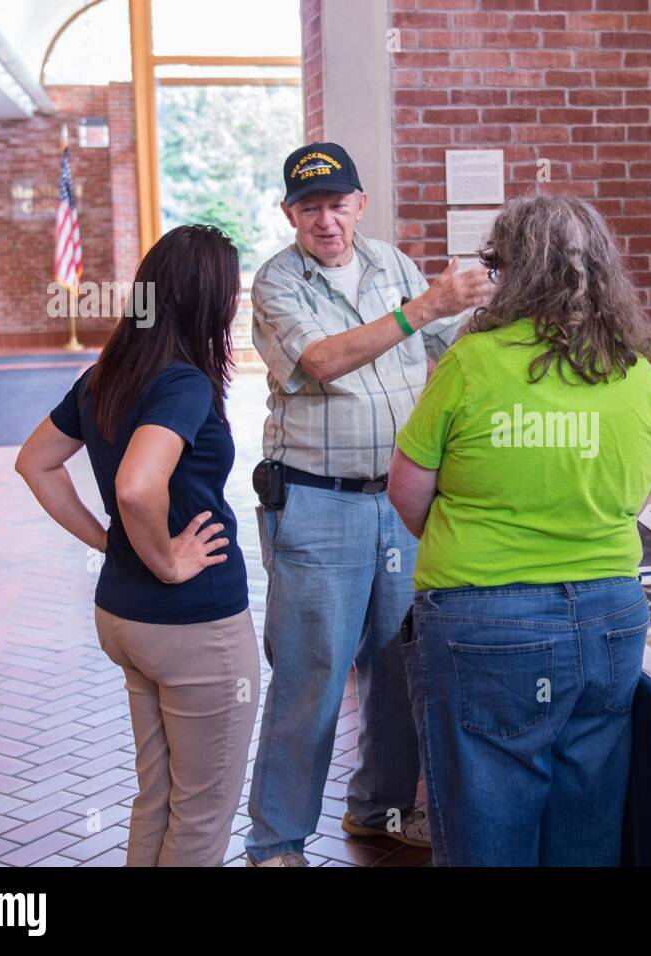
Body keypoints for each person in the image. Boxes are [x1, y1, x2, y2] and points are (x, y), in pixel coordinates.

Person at [388, 195, 651, 866]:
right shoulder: (635, 373)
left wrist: (477, 534)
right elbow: (636, 493)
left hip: (485, 620)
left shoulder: (472, 363)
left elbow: (407, 493)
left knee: (486, 822)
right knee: (586, 816)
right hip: (610, 614)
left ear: (510, 272)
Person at [244, 142, 494, 866]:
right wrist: (424, 309)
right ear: (289, 213)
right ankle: (277, 841)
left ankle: (377, 810)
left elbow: (453, 340)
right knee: (311, 675)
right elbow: (320, 361)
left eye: (337, 204)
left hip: (403, 501)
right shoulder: (276, 281)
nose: (327, 221)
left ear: (360, 203)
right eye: (309, 208)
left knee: (400, 666)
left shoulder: (393, 264)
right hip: (317, 505)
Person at [15, 224, 256, 866]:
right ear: (210, 300)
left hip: (123, 617)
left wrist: (108, 544)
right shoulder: (184, 383)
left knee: (160, 797)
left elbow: (35, 462)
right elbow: (137, 485)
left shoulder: (107, 374)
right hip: (192, 625)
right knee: (201, 815)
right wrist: (167, 559)